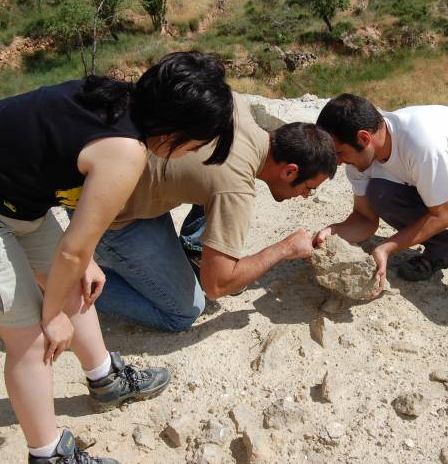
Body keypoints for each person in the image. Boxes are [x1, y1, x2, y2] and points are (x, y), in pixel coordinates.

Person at [0, 51, 235, 463]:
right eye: (196, 144)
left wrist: (81, 263)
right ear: (174, 132)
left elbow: (74, 230)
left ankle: (106, 380)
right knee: (30, 337)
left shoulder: (117, 97)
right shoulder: (127, 152)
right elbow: (73, 249)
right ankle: (48, 455)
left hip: (3, 188)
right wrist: (53, 313)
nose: (192, 154)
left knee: (77, 280)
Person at [92, 94, 338, 330]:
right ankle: (69, 283)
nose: (305, 196)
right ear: (290, 171)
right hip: (111, 213)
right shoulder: (236, 191)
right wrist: (285, 248)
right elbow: (217, 286)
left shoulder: (234, 105)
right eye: (308, 188)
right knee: (185, 311)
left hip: (116, 161)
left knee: (214, 184)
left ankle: (194, 252)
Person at [314, 94, 448, 309]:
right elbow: (364, 219)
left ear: (364, 138)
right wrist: (331, 232)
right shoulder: (362, 159)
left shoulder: (420, 143)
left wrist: (386, 248)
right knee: (379, 191)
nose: (339, 162)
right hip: (425, 178)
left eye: (340, 153)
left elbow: (443, 214)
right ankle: (443, 248)